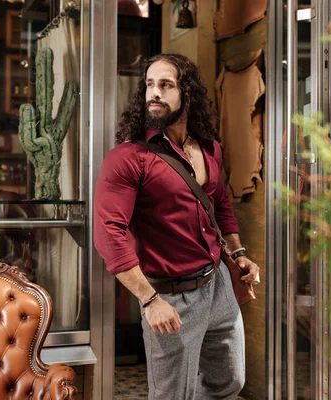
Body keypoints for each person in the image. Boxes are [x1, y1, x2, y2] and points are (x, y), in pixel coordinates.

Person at [94, 53, 260, 400]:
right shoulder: (128, 158)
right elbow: (109, 232)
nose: (154, 93)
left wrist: (238, 252)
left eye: (165, 85)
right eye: (149, 85)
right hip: (169, 294)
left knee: (229, 382)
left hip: (217, 285)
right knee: (172, 395)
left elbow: (219, 203)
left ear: (188, 93)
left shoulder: (209, 147)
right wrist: (149, 299)